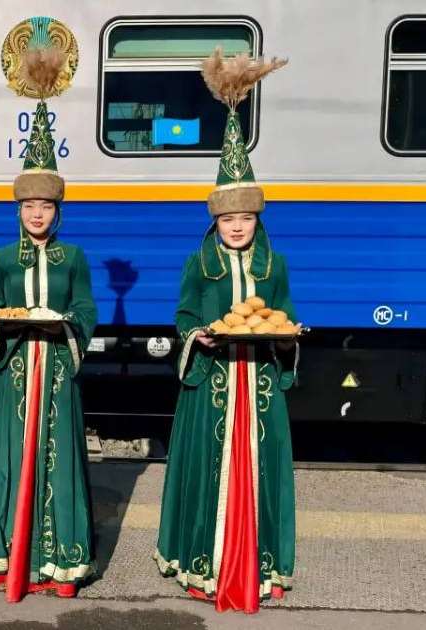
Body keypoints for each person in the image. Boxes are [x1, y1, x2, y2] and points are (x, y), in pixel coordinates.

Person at [153, 48, 294, 614]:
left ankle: (261, 568)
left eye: (246, 219)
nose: (237, 227)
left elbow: (283, 315)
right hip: (212, 383)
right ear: (215, 220)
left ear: (258, 220)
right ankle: (202, 564)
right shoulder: (198, 263)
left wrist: (283, 341)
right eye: (228, 219)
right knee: (206, 473)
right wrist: (198, 337)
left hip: (258, 387)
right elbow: (184, 316)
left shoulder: (275, 265)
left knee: (262, 474)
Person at [0, 22, 98, 602]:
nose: (36, 213)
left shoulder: (74, 256)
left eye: (45, 205)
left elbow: (87, 307)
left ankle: (60, 561)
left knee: (58, 461)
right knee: (5, 460)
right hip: (11, 369)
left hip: (57, 371)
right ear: (17, 208)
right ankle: (2, 555)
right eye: (28, 205)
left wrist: (69, 326)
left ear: (56, 208)